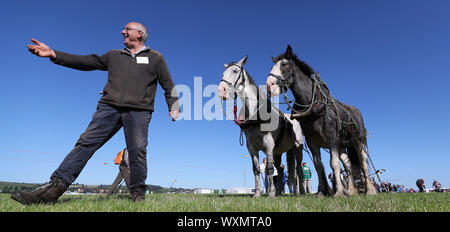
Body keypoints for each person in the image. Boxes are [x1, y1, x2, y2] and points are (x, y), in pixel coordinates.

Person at [11, 22, 179, 205]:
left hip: (139, 111)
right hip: (109, 108)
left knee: (137, 151)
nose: (122, 31)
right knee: (85, 144)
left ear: (140, 34)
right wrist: (54, 54)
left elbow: (168, 84)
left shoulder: (155, 58)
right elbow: (87, 62)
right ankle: (51, 191)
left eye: (127, 29)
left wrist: (174, 105)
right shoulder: (114, 55)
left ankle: (138, 196)